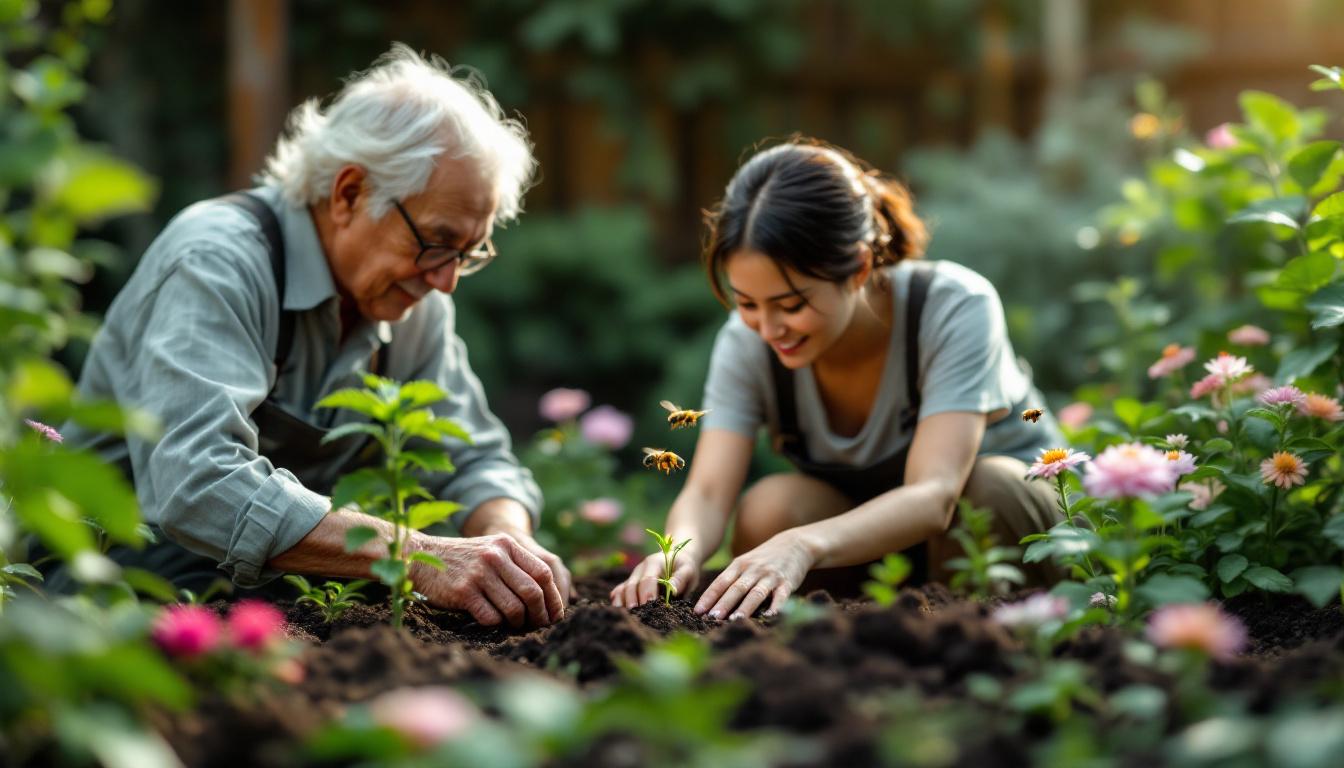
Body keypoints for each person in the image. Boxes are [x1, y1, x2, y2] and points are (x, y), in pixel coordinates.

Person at [61, 44, 570, 628]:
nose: (447, 280)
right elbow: (197, 482)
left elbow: (475, 458)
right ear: (349, 193)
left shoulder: (408, 299)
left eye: (469, 251)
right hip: (108, 601)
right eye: (436, 241)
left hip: (260, 612)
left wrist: (508, 544)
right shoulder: (217, 261)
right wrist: (421, 555)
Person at [611, 139, 1063, 619]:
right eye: (747, 303)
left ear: (860, 266)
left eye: (791, 305)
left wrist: (804, 545)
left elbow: (935, 497)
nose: (768, 329)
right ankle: (854, 647)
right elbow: (706, 491)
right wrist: (674, 554)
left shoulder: (953, 306)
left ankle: (979, 641)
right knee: (770, 509)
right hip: (877, 546)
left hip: (1007, 539)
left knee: (988, 490)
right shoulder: (748, 343)